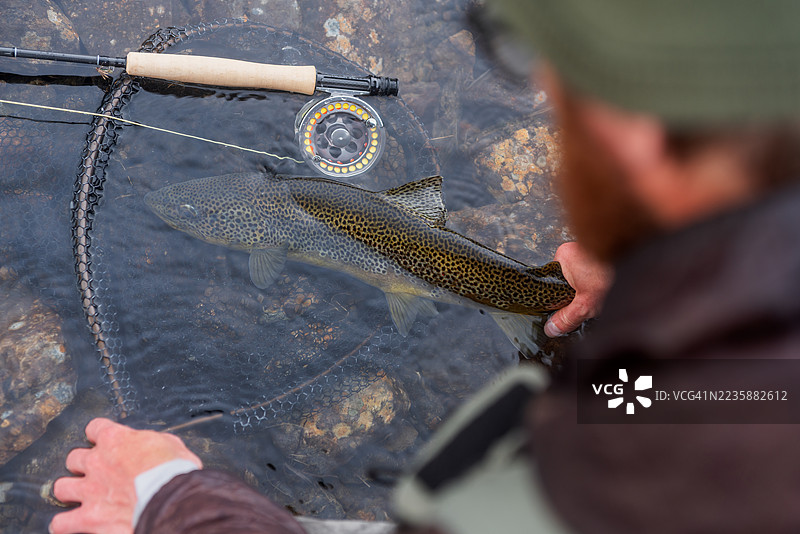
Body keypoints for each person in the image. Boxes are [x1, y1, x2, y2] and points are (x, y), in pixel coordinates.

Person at [50, 0, 800, 532]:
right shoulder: (752, 381)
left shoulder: (599, 487)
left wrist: (174, 501)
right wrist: (666, 274)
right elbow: (742, 397)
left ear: (636, 137)